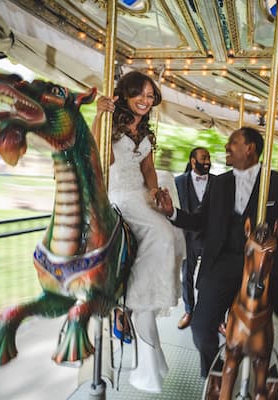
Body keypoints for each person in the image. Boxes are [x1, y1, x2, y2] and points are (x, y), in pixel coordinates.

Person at [157, 127, 278, 387]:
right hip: (225, 263)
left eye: (233, 143)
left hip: (267, 266)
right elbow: (200, 220)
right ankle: (212, 373)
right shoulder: (219, 183)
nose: (227, 148)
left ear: (250, 148)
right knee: (201, 326)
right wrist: (173, 212)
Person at [91, 71, 186, 393]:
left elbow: (147, 168)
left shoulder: (143, 130)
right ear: (126, 94)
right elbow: (94, 153)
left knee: (172, 235)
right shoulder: (109, 123)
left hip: (141, 193)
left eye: (150, 96)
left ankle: (141, 292)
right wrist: (99, 115)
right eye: (140, 95)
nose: (146, 101)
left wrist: (157, 191)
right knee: (161, 234)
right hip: (118, 194)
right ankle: (134, 296)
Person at [175, 147, 214, 330]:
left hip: (209, 236)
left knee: (210, 277)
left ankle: (213, 315)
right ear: (192, 161)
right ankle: (189, 310)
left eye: (208, 157)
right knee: (186, 276)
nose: (207, 161)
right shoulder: (178, 182)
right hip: (187, 236)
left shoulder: (217, 182)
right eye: (203, 157)